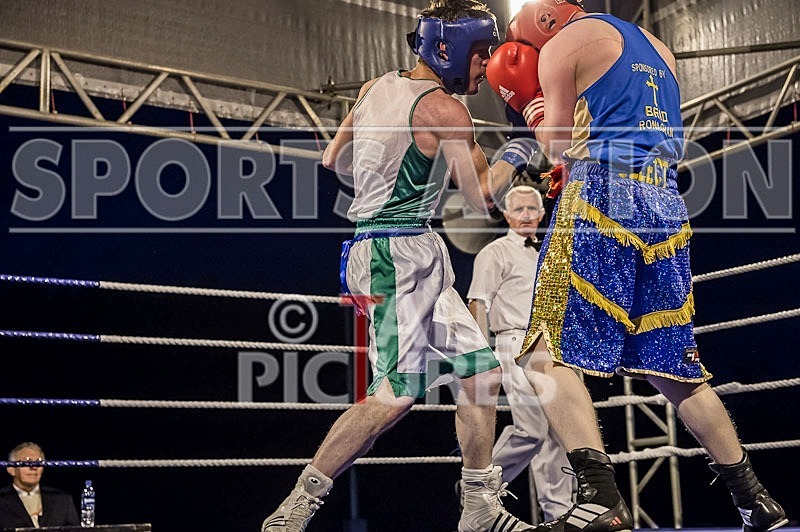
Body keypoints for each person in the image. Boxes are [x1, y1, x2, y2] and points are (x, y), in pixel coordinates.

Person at [482, 1, 790, 532]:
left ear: (544, 24)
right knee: (673, 368)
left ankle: (598, 498)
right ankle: (755, 498)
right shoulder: (661, 51)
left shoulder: (561, 46)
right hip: (665, 205)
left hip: (601, 196)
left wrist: (535, 112)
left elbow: (555, 148)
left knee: (542, 352)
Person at [261, 1, 542, 531]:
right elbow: (481, 197)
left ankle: (480, 505)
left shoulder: (373, 87)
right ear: (448, 50)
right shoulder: (443, 109)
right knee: (395, 394)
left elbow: (333, 161)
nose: (485, 67)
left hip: (406, 245)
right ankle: (296, 508)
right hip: (394, 254)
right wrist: (521, 147)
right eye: (480, 54)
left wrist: (390, 164)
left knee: (481, 372)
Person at [464, 185, 573, 523]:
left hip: (554, 345)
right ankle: (479, 486)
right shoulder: (494, 252)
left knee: (560, 433)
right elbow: (478, 302)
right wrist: (481, 356)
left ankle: (558, 513)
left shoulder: (553, 252)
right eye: (519, 209)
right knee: (532, 428)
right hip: (512, 344)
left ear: (542, 214)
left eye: (531, 209)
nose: (526, 215)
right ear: (507, 215)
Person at [0, 442, 79, 529]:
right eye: (27, 462)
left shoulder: (62, 499)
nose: (34, 467)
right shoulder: (2, 499)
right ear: (11, 469)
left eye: (38, 462)